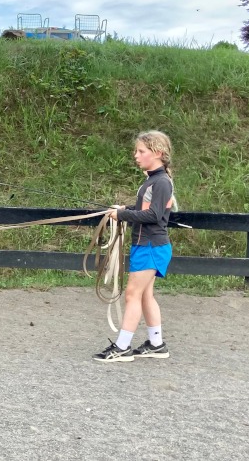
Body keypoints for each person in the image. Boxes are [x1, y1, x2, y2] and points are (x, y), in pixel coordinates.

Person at [93, 130, 177, 362]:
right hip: (148, 245)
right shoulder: (153, 181)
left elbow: (153, 215)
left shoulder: (159, 182)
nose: (136, 155)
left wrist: (122, 215)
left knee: (132, 294)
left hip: (150, 245)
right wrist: (124, 209)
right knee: (145, 295)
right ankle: (156, 343)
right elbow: (145, 209)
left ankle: (122, 347)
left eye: (141, 151)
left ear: (157, 153)